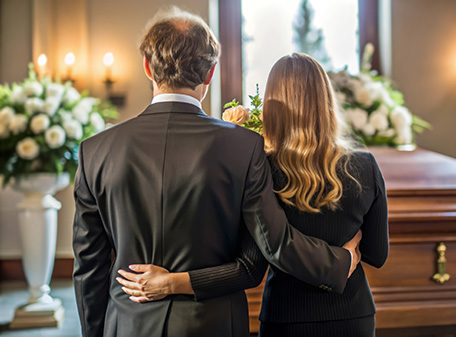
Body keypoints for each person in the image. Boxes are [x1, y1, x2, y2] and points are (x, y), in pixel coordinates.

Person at [72, 8, 361, 337]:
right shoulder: (244, 146)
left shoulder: (94, 150)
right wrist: (339, 262)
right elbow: (273, 243)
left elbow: (88, 269)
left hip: (127, 324)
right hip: (214, 325)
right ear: (210, 74)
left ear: (148, 67)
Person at [118, 53, 389, 337]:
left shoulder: (261, 168)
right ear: (326, 102)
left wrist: (173, 282)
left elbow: (250, 266)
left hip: (286, 316)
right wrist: (346, 254)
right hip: (354, 315)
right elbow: (377, 254)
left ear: (272, 104)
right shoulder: (365, 165)